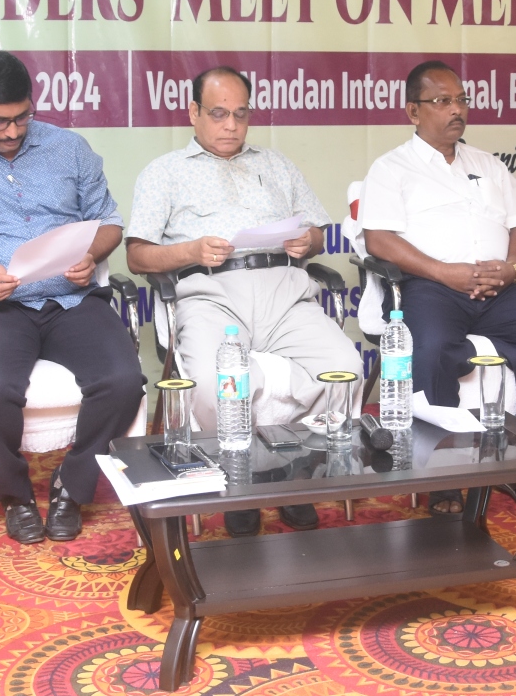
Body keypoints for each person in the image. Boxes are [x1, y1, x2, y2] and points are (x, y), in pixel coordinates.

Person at [0, 51, 142, 544]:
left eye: (22, 117)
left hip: (72, 299)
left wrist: (90, 254)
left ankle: (71, 486)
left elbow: (109, 222)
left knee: (124, 380)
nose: (13, 132)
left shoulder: (70, 148)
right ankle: (14, 494)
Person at [127, 66, 358, 537]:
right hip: (211, 293)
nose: (231, 125)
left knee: (345, 369)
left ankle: (298, 475)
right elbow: (137, 255)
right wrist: (190, 251)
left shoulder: (277, 165)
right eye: (218, 114)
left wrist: (308, 241)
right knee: (212, 386)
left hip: (284, 290)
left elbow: (317, 232)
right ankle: (240, 478)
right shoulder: (164, 172)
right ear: (193, 112)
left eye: (241, 114)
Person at [359, 60, 516, 515]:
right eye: (442, 101)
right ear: (413, 111)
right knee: (432, 349)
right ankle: (443, 479)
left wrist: (513, 270)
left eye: (461, 100)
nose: (456, 110)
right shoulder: (391, 168)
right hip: (433, 288)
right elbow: (378, 239)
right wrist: (442, 272)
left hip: (502, 288)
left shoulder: (489, 164)